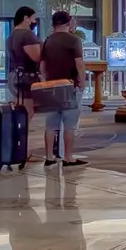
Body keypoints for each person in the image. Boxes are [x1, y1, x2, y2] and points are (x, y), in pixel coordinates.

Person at [39, 9, 86, 166]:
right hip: (69, 85)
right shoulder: (74, 40)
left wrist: (46, 80)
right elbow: (79, 64)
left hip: (51, 86)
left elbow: (42, 67)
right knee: (69, 124)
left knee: (50, 125)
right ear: (69, 23)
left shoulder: (48, 41)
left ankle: (49, 157)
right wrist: (83, 83)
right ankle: (68, 157)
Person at [7, 6, 41, 113]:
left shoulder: (12, 35)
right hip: (27, 77)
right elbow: (37, 57)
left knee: (19, 110)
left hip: (15, 75)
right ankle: (21, 130)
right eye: (34, 19)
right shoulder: (28, 35)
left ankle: (16, 129)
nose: (35, 22)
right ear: (26, 18)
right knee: (27, 112)